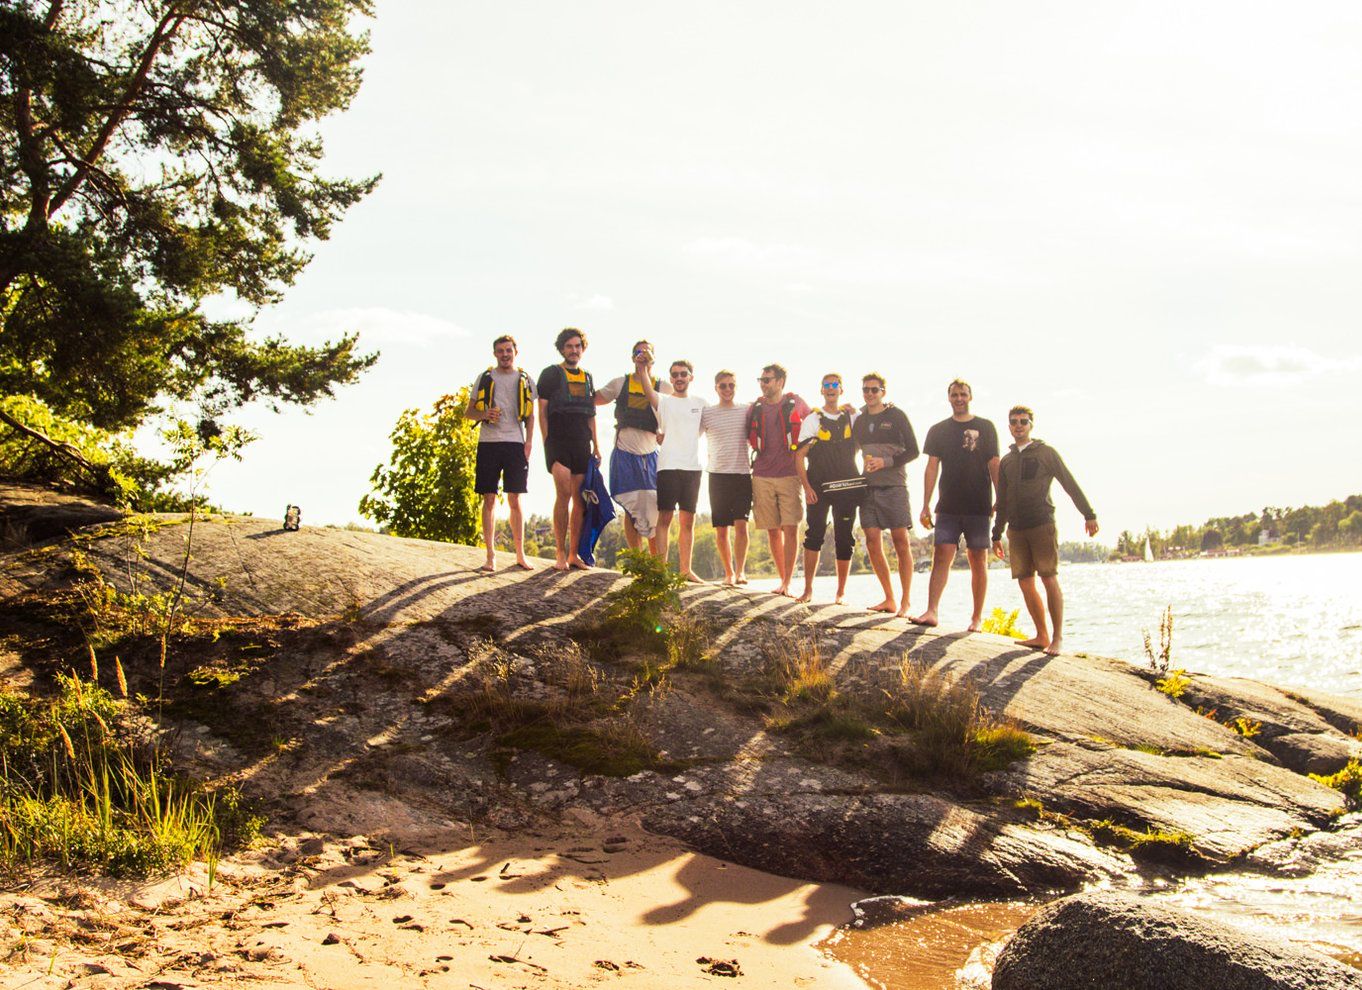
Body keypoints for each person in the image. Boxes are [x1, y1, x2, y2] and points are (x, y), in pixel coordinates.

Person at [991, 405, 1099, 656]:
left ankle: (1057, 638)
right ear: (1009, 427)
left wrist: (1089, 514)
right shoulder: (1006, 460)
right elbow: (1003, 500)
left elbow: (1068, 482)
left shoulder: (1045, 453)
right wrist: (996, 534)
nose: (1019, 425)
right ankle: (1041, 635)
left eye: (1023, 421)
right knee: (1025, 581)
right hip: (1016, 530)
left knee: (1048, 577)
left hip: (1042, 524)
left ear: (1031, 425)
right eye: (1014, 422)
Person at [910, 379, 1000, 631]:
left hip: (979, 505)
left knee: (978, 559)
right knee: (941, 556)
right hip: (947, 505)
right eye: (954, 394)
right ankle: (932, 611)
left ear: (970, 396)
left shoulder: (986, 427)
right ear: (948, 398)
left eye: (963, 394)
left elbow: (994, 463)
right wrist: (925, 504)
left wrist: (1001, 499)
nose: (959, 398)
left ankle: (976, 618)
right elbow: (931, 467)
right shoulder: (938, 430)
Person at [464, 334, 537, 572]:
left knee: (515, 498)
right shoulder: (485, 378)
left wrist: (529, 443)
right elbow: (469, 411)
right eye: (500, 351)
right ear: (495, 354)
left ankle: (520, 554)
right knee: (489, 498)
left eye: (508, 350)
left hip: (515, 443)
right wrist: (484, 415)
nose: (505, 354)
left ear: (516, 352)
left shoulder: (526, 379)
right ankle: (490, 556)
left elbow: (531, 415)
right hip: (489, 442)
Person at [594, 341, 670, 552]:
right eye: (639, 352)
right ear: (632, 357)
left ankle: (655, 565)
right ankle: (637, 560)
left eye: (647, 352)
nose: (643, 356)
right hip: (625, 453)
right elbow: (593, 399)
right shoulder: (620, 383)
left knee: (655, 509)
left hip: (651, 455)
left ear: (654, 357)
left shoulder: (663, 387)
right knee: (630, 509)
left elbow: (679, 410)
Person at [853, 372, 918, 616]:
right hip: (868, 488)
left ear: (883, 392)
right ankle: (889, 598)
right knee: (871, 541)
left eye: (874, 390)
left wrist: (886, 461)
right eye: (866, 390)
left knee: (901, 541)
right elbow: (848, 449)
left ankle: (906, 601)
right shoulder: (859, 420)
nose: (869, 394)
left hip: (894, 486)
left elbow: (914, 451)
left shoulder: (896, 415)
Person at [794, 373, 862, 604]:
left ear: (841, 390)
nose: (831, 388)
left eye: (835, 385)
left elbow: (873, 419)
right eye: (827, 385)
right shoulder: (813, 420)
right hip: (818, 487)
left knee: (845, 538)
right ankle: (808, 590)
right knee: (814, 535)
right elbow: (799, 456)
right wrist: (806, 486)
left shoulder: (853, 417)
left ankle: (841, 592)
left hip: (847, 486)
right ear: (821, 390)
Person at [536, 327, 599, 571]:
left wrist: (597, 445)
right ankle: (560, 553)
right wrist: (546, 441)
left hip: (582, 443)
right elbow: (542, 410)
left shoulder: (588, 377)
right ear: (562, 349)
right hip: (558, 442)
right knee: (562, 494)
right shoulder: (550, 374)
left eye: (578, 347)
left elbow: (591, 414)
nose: (574, 351)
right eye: (569, 346)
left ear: (582, 350)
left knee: (580, 500)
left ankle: (574, 554)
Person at [640, 359, 708, 582]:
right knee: (665, 517)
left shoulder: (701, 403)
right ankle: (660, 570)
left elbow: (706, 429)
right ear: (670, 379)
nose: (679, 378)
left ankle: (685, 570)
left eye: (683, 374)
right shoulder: (664, 402)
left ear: (691, 377)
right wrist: (641, 367)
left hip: (693, 467)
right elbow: (646, 387)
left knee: (688, 520)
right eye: (675, 375)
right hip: (668, 466)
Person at [747, 363, 810, 596]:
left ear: (780, 382)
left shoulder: (797, 403)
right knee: (772, 530)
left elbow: (817, 424)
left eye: (767, 380)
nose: (763, 384)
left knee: (791, 528)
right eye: (761, 380)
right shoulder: (755, 407)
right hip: (762, 475)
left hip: (790, 475)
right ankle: (783, 581)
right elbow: (744, 433)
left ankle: (787, 582)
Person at [700, 369, 752, 586]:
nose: (728, 389)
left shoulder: (747, 410)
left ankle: (740, 572)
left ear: (736, 387)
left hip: (742, 474)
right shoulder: (707, 413)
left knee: (742, 526)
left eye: (731, 385)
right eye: (723, 386)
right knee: (722, 529)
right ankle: (729, 574)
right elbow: (688, 432)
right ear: (716, 388)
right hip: (717, 476)